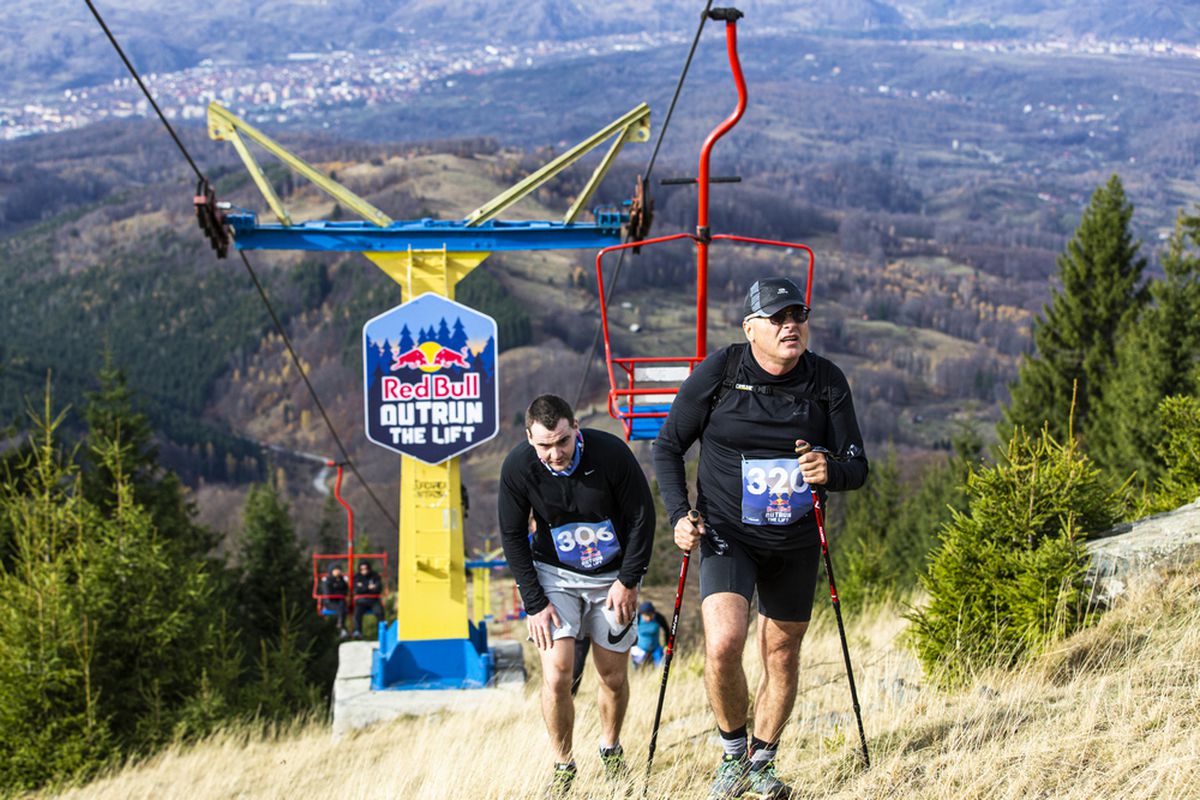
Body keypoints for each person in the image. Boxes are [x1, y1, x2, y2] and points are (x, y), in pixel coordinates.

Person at [653, 276, 868, 800]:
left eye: (798, 315)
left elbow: (857, 466)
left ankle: (763, 762)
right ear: (751, 328)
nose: (790, 325)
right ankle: (731, 757)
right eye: (777, 318)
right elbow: (667, 447)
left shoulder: (826, 380)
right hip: (728, 533)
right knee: (724, 643)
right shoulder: (722, 371)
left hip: (794, 542)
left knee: (782, 653)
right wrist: (681, 515)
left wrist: (828, 471)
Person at [498, 394, 656, 797]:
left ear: (575, 429)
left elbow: (642, 516)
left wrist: (629, 579)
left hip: (611, 579)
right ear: (529, 439)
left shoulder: (610, 454)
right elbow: (513, 536)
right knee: (557, 675)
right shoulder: (519, 467)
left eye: (562, 442)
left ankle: (610, 747)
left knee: (613, 677)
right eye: (544, 446)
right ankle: (563, 764)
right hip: (556, 576)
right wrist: (534, 602)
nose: (554, 454)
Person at [351, 560, 385, 639]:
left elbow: (378, 588)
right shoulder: (357, 577)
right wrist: (368, 587)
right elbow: (356, 590)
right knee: (357, 613)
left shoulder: (375, 576)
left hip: (374, 600)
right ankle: (357, 631)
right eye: (362, 569)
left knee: (379, 612)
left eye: (365, 569)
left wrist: (363, 586)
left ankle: (382, 632)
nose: (364, 571)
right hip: (361, 601)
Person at [631, 601, 670, 669]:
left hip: (656, 648)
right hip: (640, 648)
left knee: (661, 668)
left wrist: (666, 646)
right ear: (642, 614)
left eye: (650, 615)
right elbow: (630, 631)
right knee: (638, 669)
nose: (648, 618)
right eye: (646, 616)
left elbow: (667, 631)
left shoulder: (659, 618)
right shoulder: (637, 618)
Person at [318, 563, 349, 637]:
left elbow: (345, 591)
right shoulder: (327, 581)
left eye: (339, 570)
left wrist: (338, 592)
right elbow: (328, 593)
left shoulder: (342, 580)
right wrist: (339, 593)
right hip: (330, 602)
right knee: (341, 608)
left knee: (342, 606)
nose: (338, 572)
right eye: (336, 570)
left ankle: (341, 626)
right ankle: (341, 627)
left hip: (340, 601)